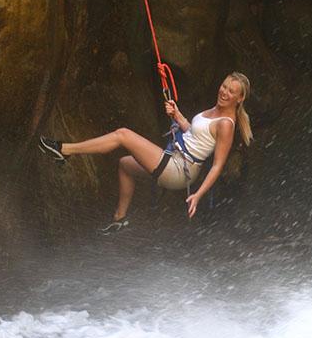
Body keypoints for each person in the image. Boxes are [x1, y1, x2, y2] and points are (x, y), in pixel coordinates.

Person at [39, 72, 252, 231]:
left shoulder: (226, 124)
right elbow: (196, 135)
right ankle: (119, 219)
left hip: (180, 170)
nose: (224, 92)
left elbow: (217, 165)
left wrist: (198, 195)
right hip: (174, 159)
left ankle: (65, 150)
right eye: (224, 86)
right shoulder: (215, 110)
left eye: (231, 91)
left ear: (239, 98)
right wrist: (178, 116)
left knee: (123, 135)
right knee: (125, 165)